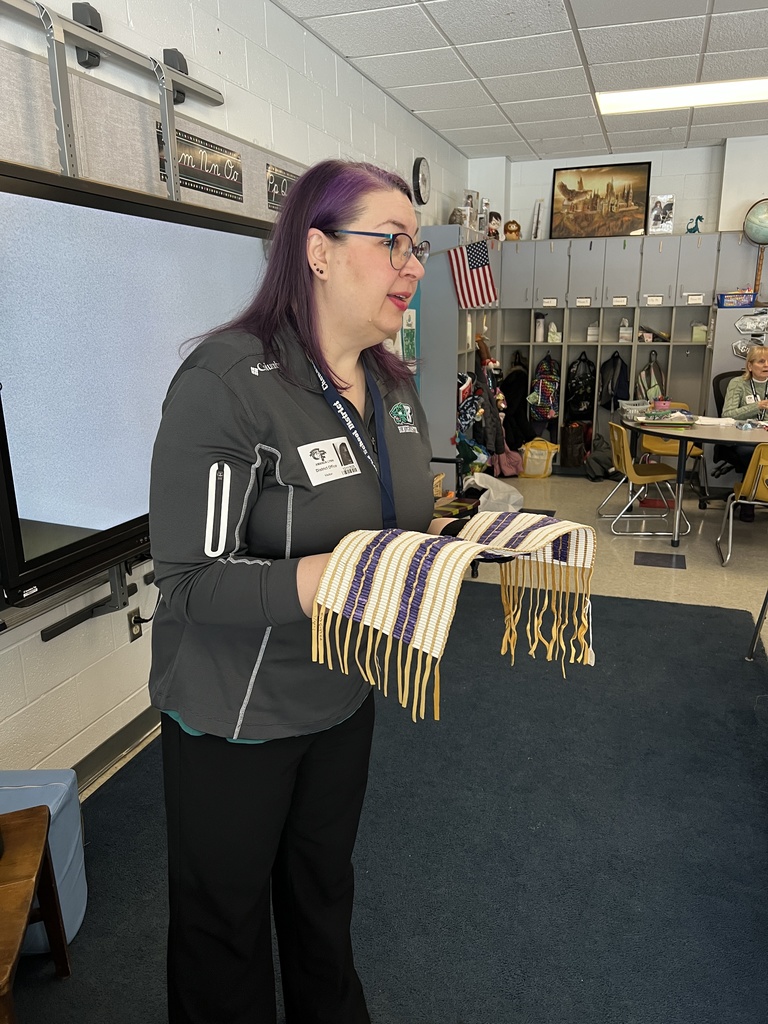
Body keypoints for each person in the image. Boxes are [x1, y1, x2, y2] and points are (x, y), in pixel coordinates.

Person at [148, 159, 450, 1024]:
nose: (414, 265)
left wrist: (465, 548)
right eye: (391, 241)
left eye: (416, 245)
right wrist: (328, 577)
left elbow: (401, 524)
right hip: (234, 716)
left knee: (322, 899)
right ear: (317, 251)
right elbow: (188, 583)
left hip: (342, 693)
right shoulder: (226, 383)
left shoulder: (392, 388)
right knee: (224, 930)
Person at [721, 344, 768, 520]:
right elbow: (728, 414)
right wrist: (757, 406)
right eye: (761, 361)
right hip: (743, 437)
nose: (766, 365)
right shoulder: (738, 384)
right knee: (753, 453)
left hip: (765, 435)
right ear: (750, 365)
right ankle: (750, 499)